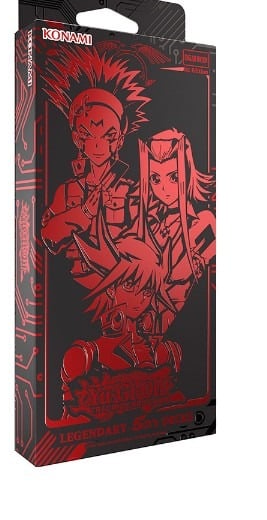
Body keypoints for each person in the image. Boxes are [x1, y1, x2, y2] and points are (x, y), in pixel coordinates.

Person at [40, 47, 149, 287]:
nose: (98, 144)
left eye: (108, 136)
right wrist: (84, 213)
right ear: (78, 139)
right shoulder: (67, 191)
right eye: (89, 135)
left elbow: (145, 245)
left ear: (119, 140)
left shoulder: (130, 190)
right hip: (74, 291)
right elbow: (49, 237)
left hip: (120, 289)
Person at [60, 213, 182, 418]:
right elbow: (70, 420)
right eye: (129, 285)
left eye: (147, 291)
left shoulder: (166, 353)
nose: (139, 298)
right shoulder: (84, 356)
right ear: (110, 288)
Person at [136, 128, 216, 330]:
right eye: (155, 179)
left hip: (178, 313)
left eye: (173, 177)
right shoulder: (151, 221)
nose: (164, 188)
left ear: (188, 172)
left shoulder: (201, 222)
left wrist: (200, 259)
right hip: (144, 310)